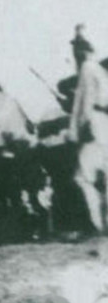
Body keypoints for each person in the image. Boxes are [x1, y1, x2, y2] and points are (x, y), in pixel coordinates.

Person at [69, 25, 108, 233]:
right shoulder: (100, 70)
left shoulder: (88, 67)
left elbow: (84, 102)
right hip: (103, 123)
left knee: (83, 177)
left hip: (94, 125)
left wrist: (78, 129)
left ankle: (98, 224)